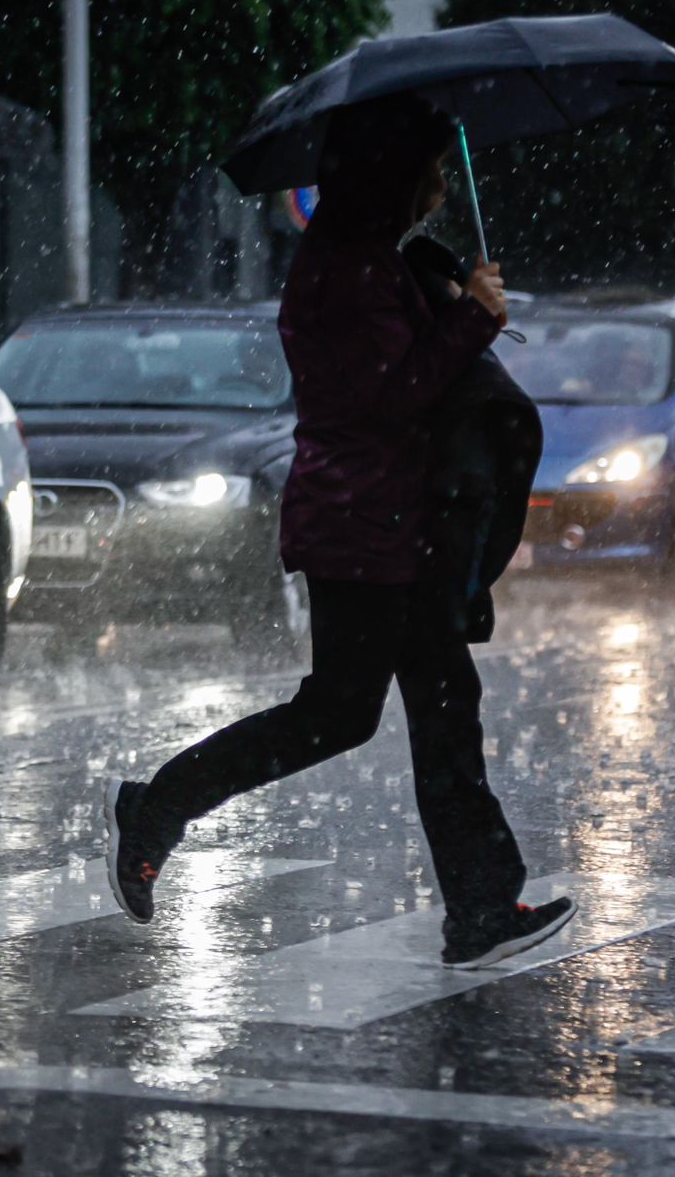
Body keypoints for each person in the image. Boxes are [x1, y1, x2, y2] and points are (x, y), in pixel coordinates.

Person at [102, 94, 576, 971]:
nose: (439, 187)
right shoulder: (348, 270)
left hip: (382, 520)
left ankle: (477, 904)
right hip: (366, 523)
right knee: (358, 713)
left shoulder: (363, 260)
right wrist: (473, 317)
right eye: (429, 171)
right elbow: (387, 398)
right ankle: (161, 806)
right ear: (390, 173)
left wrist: (456, 302)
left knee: (405, 709)